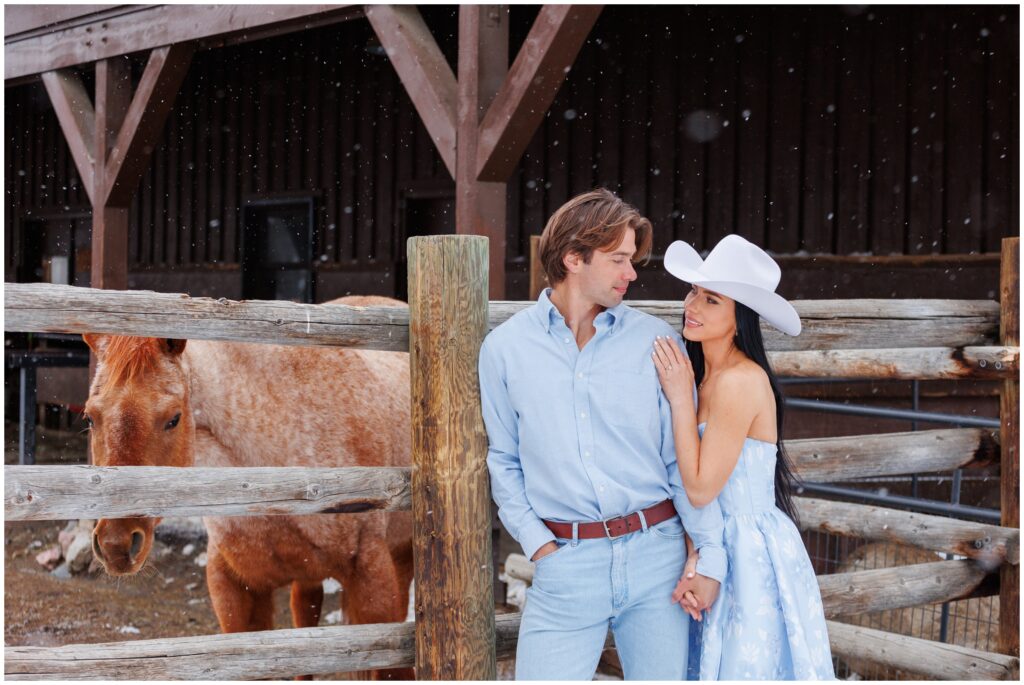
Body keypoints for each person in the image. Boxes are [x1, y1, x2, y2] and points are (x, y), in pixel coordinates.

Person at [479, 189, 728, 680]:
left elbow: (680, 459)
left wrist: (709, 552)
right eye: (618, 260)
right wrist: (540, 547)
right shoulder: (504, 350)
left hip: (659, 558)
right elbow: (504, 459)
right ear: (574, 258)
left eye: (631, 260)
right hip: (566, 565)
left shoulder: (657, 342)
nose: (631, 274)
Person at [652, 234, 836, 680]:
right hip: (710, 539)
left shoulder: (739, 381)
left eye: (711, 299)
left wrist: (680, 400)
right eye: (694, 291)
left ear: (740, 321)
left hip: (748, 551)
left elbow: (699, 486)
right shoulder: (703, 373)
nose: (692, 305)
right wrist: (696, 553)